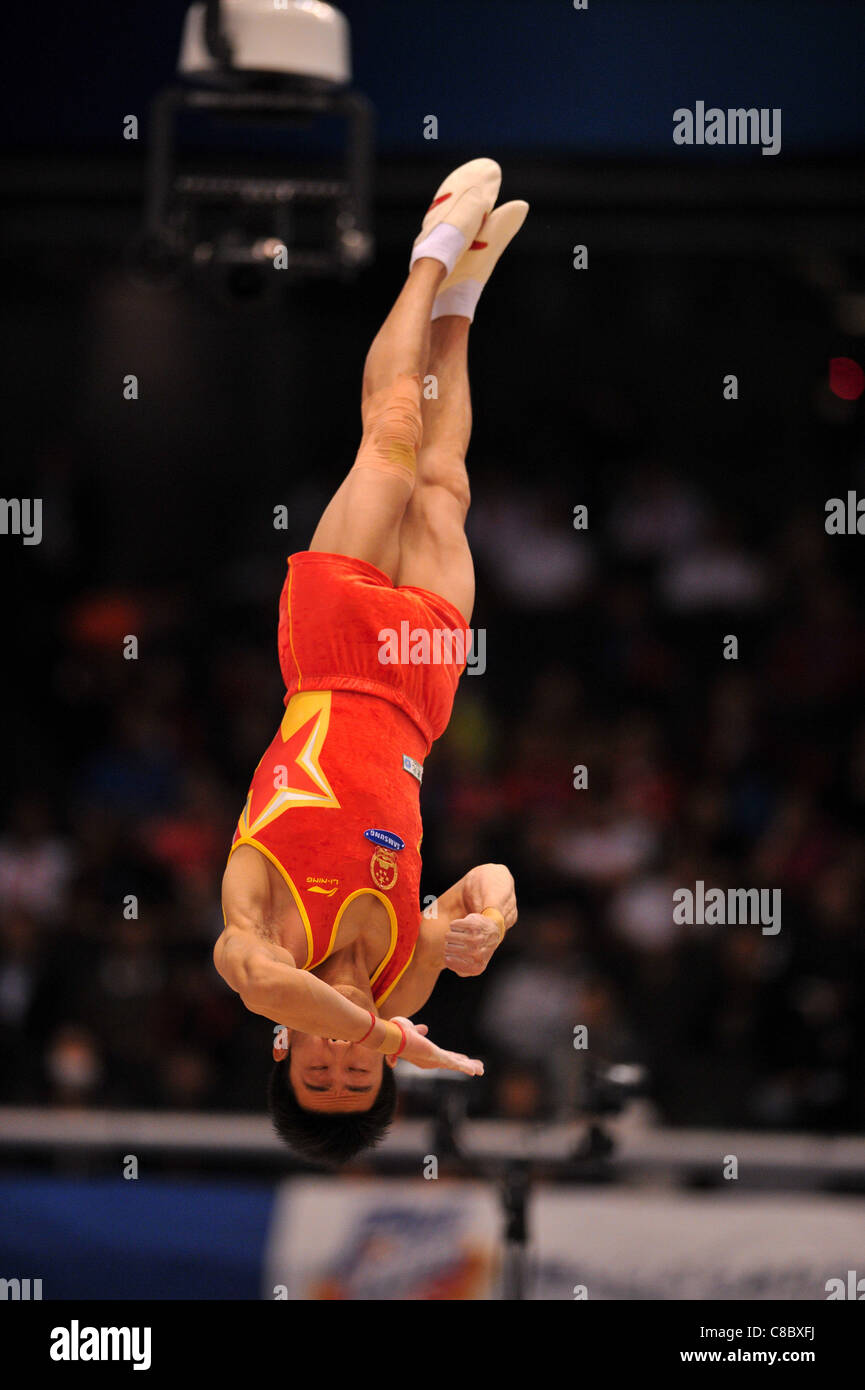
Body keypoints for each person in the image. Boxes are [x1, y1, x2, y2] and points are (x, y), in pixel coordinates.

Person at [214, 159, 526, 1165]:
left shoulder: (264, 948)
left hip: (334, 657)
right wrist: (491, 914)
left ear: (282, 1046)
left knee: (391, 438)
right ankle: (465, 299)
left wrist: (382, 1035)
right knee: (442, 485)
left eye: (321, 1068)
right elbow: (479, 880)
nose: (345, 1055)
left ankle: (431, 254)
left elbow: (251, 974)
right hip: (419, 700)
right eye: (361, 1076)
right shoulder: (402, 983)